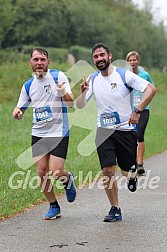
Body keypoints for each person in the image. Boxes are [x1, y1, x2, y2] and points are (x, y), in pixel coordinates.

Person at [76, 43, 156, 222]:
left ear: (109, 56)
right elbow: (80, 105)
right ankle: (115, 208)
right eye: (96, 57)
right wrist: (82, 92)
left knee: (126, 170)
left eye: (102, 55)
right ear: (93, 60)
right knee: (107, 170)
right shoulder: (93, 79)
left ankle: (132, 174)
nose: (99, 59)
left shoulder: (123, 75)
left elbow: (151, 89)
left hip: (125, 130)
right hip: (104, 130)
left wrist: (137, 110)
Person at [12, 47, 76, 220]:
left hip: (58, 131)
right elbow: (20, 108)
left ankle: (68, 179)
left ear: (48, 62)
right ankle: (54, 206)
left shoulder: (58, 77)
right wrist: (17, 112)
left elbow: (71, 104)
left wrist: (63, 92)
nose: (39, 63)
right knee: (41, 172)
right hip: (39, 133)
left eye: (42, 59)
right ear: (30, 62)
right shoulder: (28, 85)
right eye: (36, 60)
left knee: (55, 172)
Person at [126, 51, 155, 175]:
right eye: (130, 60)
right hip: (129, 110)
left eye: (134, 60)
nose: (133, 62)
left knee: (139, 134)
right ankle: (132, 162)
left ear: (138, 61)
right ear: (127, 62)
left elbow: (151, 89)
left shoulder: (145, 75)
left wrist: (143, 102)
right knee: (131, 136)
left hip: (143, 109)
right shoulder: (125, 76)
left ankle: (140, 163)